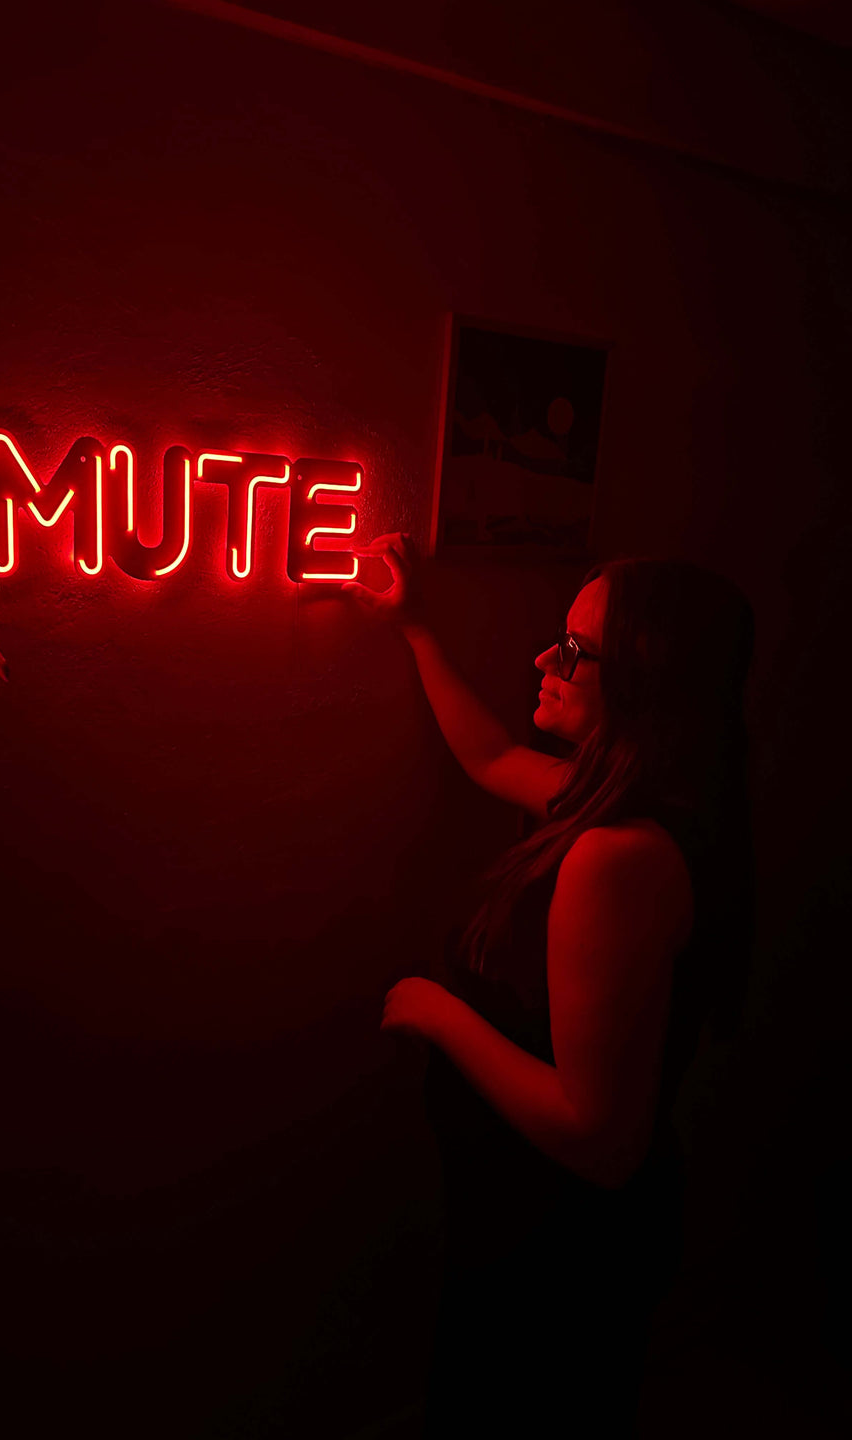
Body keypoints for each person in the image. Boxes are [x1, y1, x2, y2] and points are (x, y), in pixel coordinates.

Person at [343, 535, 755, 1437]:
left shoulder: (618, 857)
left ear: (646, 681)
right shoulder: (630, 800)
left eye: (575, 650)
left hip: (560, 1241)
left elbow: (597, 1135)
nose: (543, 660)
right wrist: (417, 629)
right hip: (541, 1221)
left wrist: (439, 1013)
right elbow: (492, 758)